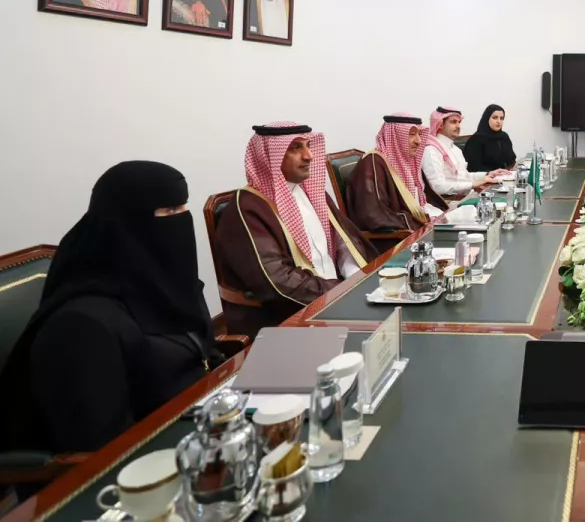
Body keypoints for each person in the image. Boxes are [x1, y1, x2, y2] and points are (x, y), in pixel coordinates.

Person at [0, 162, 219, 453]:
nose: (181, 221)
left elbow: (201, 353)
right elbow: (102, 451)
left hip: (201, 423)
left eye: (182, 208)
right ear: (127, 224)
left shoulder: (168, 286)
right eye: (169, 211)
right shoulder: (81, 327)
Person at [213, 122, 373, 337]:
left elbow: (343, 243)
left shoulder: (312, 193)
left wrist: (357, 280)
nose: (309, 156)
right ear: (268, 156)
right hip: (286, 318)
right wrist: (341, 292)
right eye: (295, 148)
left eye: (308, 146)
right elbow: (278, 281)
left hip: (332, 299)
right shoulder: (248, 208)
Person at [345, 113, 448, 233]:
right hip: (397, 238)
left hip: (421, 227)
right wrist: (418, 223)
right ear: (394, 136)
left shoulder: (409, 162)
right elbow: (373, 215)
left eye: (420, 134)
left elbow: (423, 201)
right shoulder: (373, 164)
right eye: (411, 134)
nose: (418, 141)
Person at [421, 106, 501, 200]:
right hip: (449, 202)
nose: (458, 126)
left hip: (466, 197)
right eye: (453, 122)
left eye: (459, 122)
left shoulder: (455, 149)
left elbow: (464, 176)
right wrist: (473, 184)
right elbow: (437, 186)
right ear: (441, 124)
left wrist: (488, 174)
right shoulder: (431, 150)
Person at [463, 104, 517, 173]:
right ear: (487, 118)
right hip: (486, 177)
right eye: (495, 118)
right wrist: (494, 173)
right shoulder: (476, 139)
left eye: (501, 118)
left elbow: (511, 160)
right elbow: (473, 167)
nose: (499, 121)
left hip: (506, 176)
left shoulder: (504, 136)